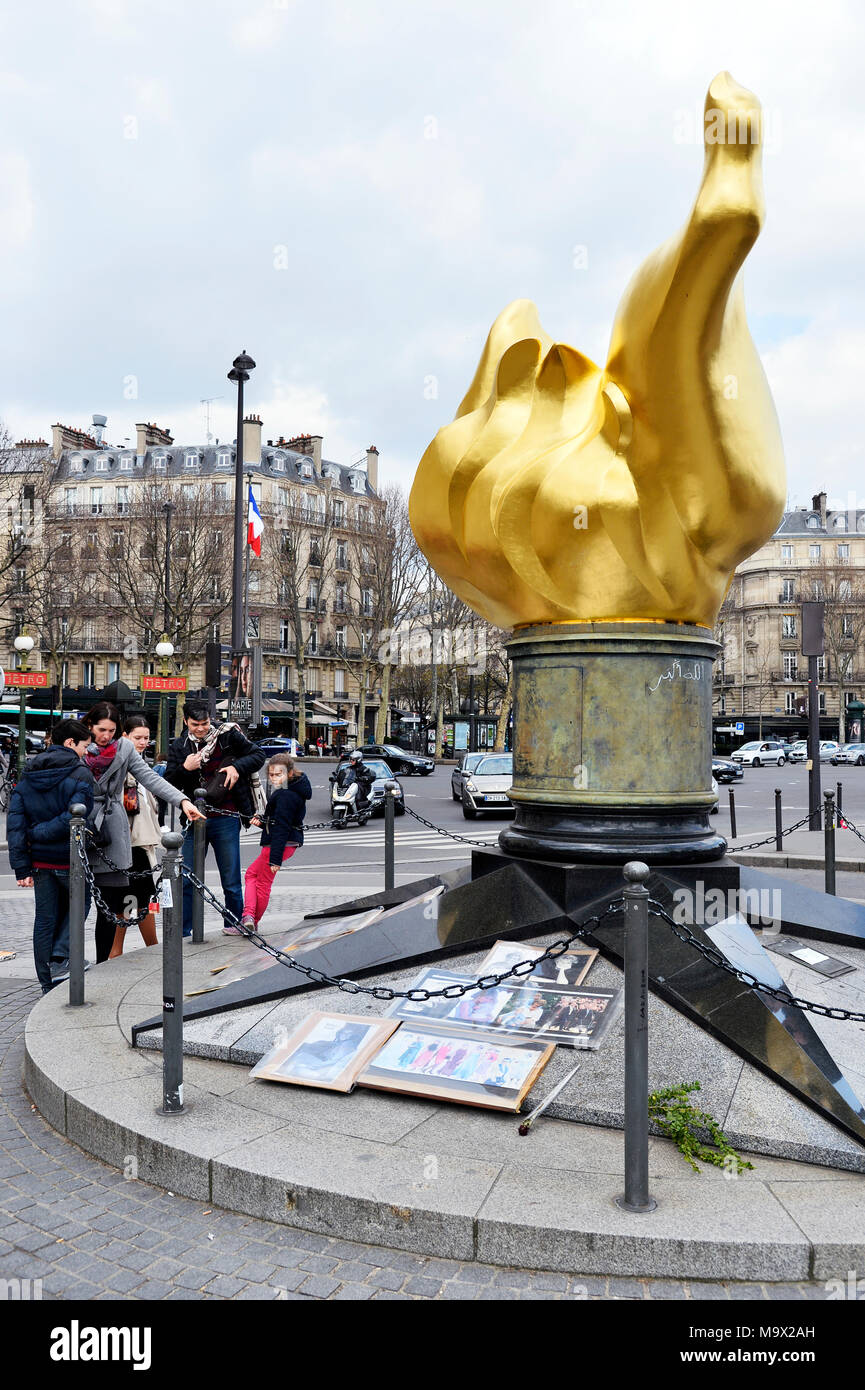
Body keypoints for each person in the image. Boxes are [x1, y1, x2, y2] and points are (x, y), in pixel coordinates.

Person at [83, 702, 202, 964]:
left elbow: (151, 778)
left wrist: (183, 801)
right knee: (82, 903)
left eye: (112, 731)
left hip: (114, 832)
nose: (106, 736)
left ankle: (104, 962)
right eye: (102, 730)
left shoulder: (123, 749)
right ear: (90, 725)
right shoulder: (79, 746)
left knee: (114, 904)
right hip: (83, 825)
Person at [165, 700, 267, 937]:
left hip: (226, 816)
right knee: (187, 877)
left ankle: (233, 923)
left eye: (205, 723)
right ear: (185, 722)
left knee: (230, 878)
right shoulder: (180, 746)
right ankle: (183, 929)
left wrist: (237, 767)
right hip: (193, 817)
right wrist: (185, 767)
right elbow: (169, 783)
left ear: (211, 719)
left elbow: (258, 754)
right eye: (195, 724)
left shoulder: (227, 735)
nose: (201, 729)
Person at [7, 719, 95, 993]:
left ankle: (46, 982)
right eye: (84, 746)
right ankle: (60, 958)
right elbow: (76, 814)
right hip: (69, 859)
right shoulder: (81, 773)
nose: (86, 752)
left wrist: (21, 867)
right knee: (81, 905)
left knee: (44, 919)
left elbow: (15, 821)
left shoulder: (28, 771)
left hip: (40, 863)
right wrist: (43, 832)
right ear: (70, 743)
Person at [107, 716, 162, 958]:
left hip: (139, 842)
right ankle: (122, 950)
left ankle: (138, 948)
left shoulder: (139, 764)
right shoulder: (127, 769)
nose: (142, 742)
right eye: (137, 737)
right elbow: (130, 808)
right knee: (132, 900)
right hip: (131, 844)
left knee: (140, 900)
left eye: (146, 738)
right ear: (125, 737)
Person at [240, 754, 311, 930]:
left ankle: (250, 919)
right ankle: (249, 919)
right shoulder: (293, 789)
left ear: (290, 773)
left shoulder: (286, 795)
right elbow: (280, 820)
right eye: (271, 774)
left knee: (259, 880)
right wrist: (263, 822)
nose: (274, 778)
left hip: (278, 844)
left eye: (278, 774)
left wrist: (275, 859)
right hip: (285, 843)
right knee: (255, 877)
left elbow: (282, 827)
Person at [329, 748, 374, 817]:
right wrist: (336, 778)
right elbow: (343, 775)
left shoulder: (364, 769)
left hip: (361, 786)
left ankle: (361, 806)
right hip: (349, 785)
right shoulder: (348, 768)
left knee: (358, 788)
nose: (351, 761)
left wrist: (363, 778)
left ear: (358, 759)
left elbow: (369, 776)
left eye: (353, 759)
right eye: (350, 759)